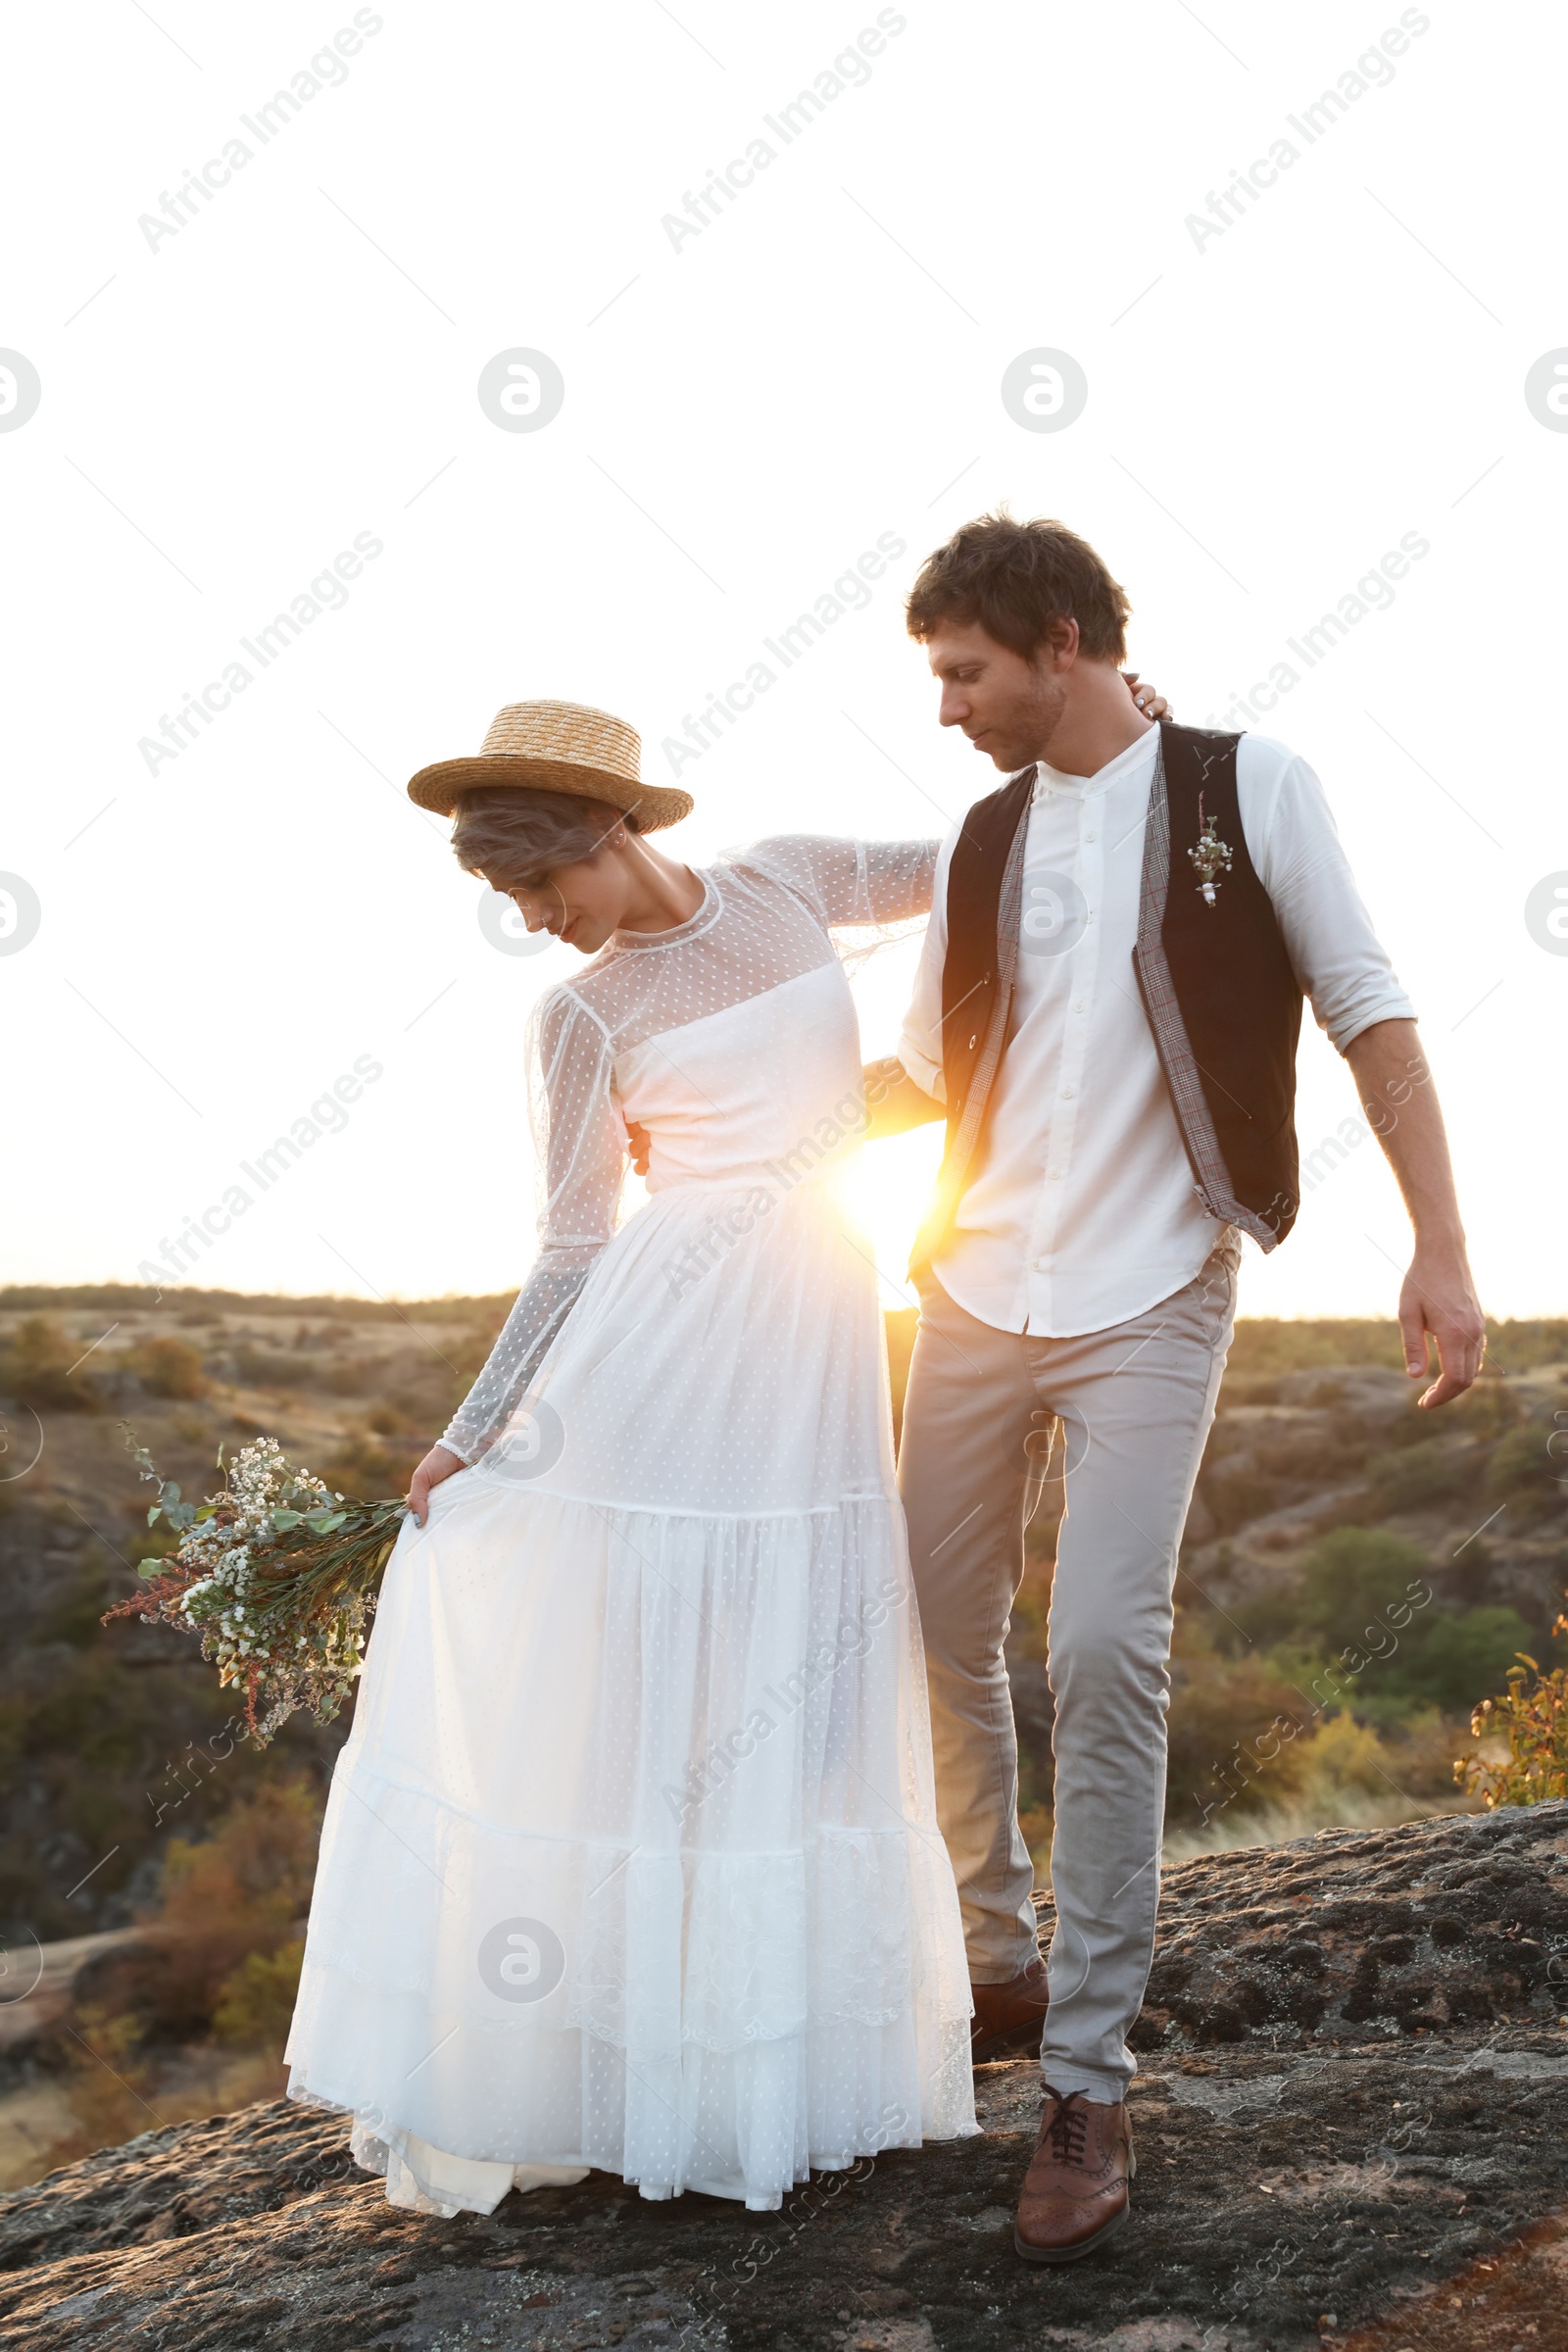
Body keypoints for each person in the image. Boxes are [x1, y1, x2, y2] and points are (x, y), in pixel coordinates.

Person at [862, 512, 1485, 2263]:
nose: (948, 708)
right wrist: (727, 1129)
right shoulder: (980, 842)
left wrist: (1437, 1248)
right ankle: (995, 1959)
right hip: (975, 1283)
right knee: (923, 1618)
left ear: (1060, 641)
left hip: (1159, 1287)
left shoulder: (1247, 785)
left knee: (1106, 1644)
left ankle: (1086, 2072)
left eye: (963, 671)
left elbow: (1372, 1011)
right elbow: (917, 1073)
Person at [283, 696, 993, 2216]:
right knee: (648, 1704)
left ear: (611, 830)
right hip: (661, 1357)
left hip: (810, 1337)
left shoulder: (793, 877)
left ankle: (775, 2071)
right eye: (513, 904)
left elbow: (981, 862)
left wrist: (1121, 745)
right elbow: (569, 1248)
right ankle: (629, 2072)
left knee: (796, 1672)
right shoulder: (581, 1015)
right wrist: (471, 1440)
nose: (538, 924)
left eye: (545, 888)